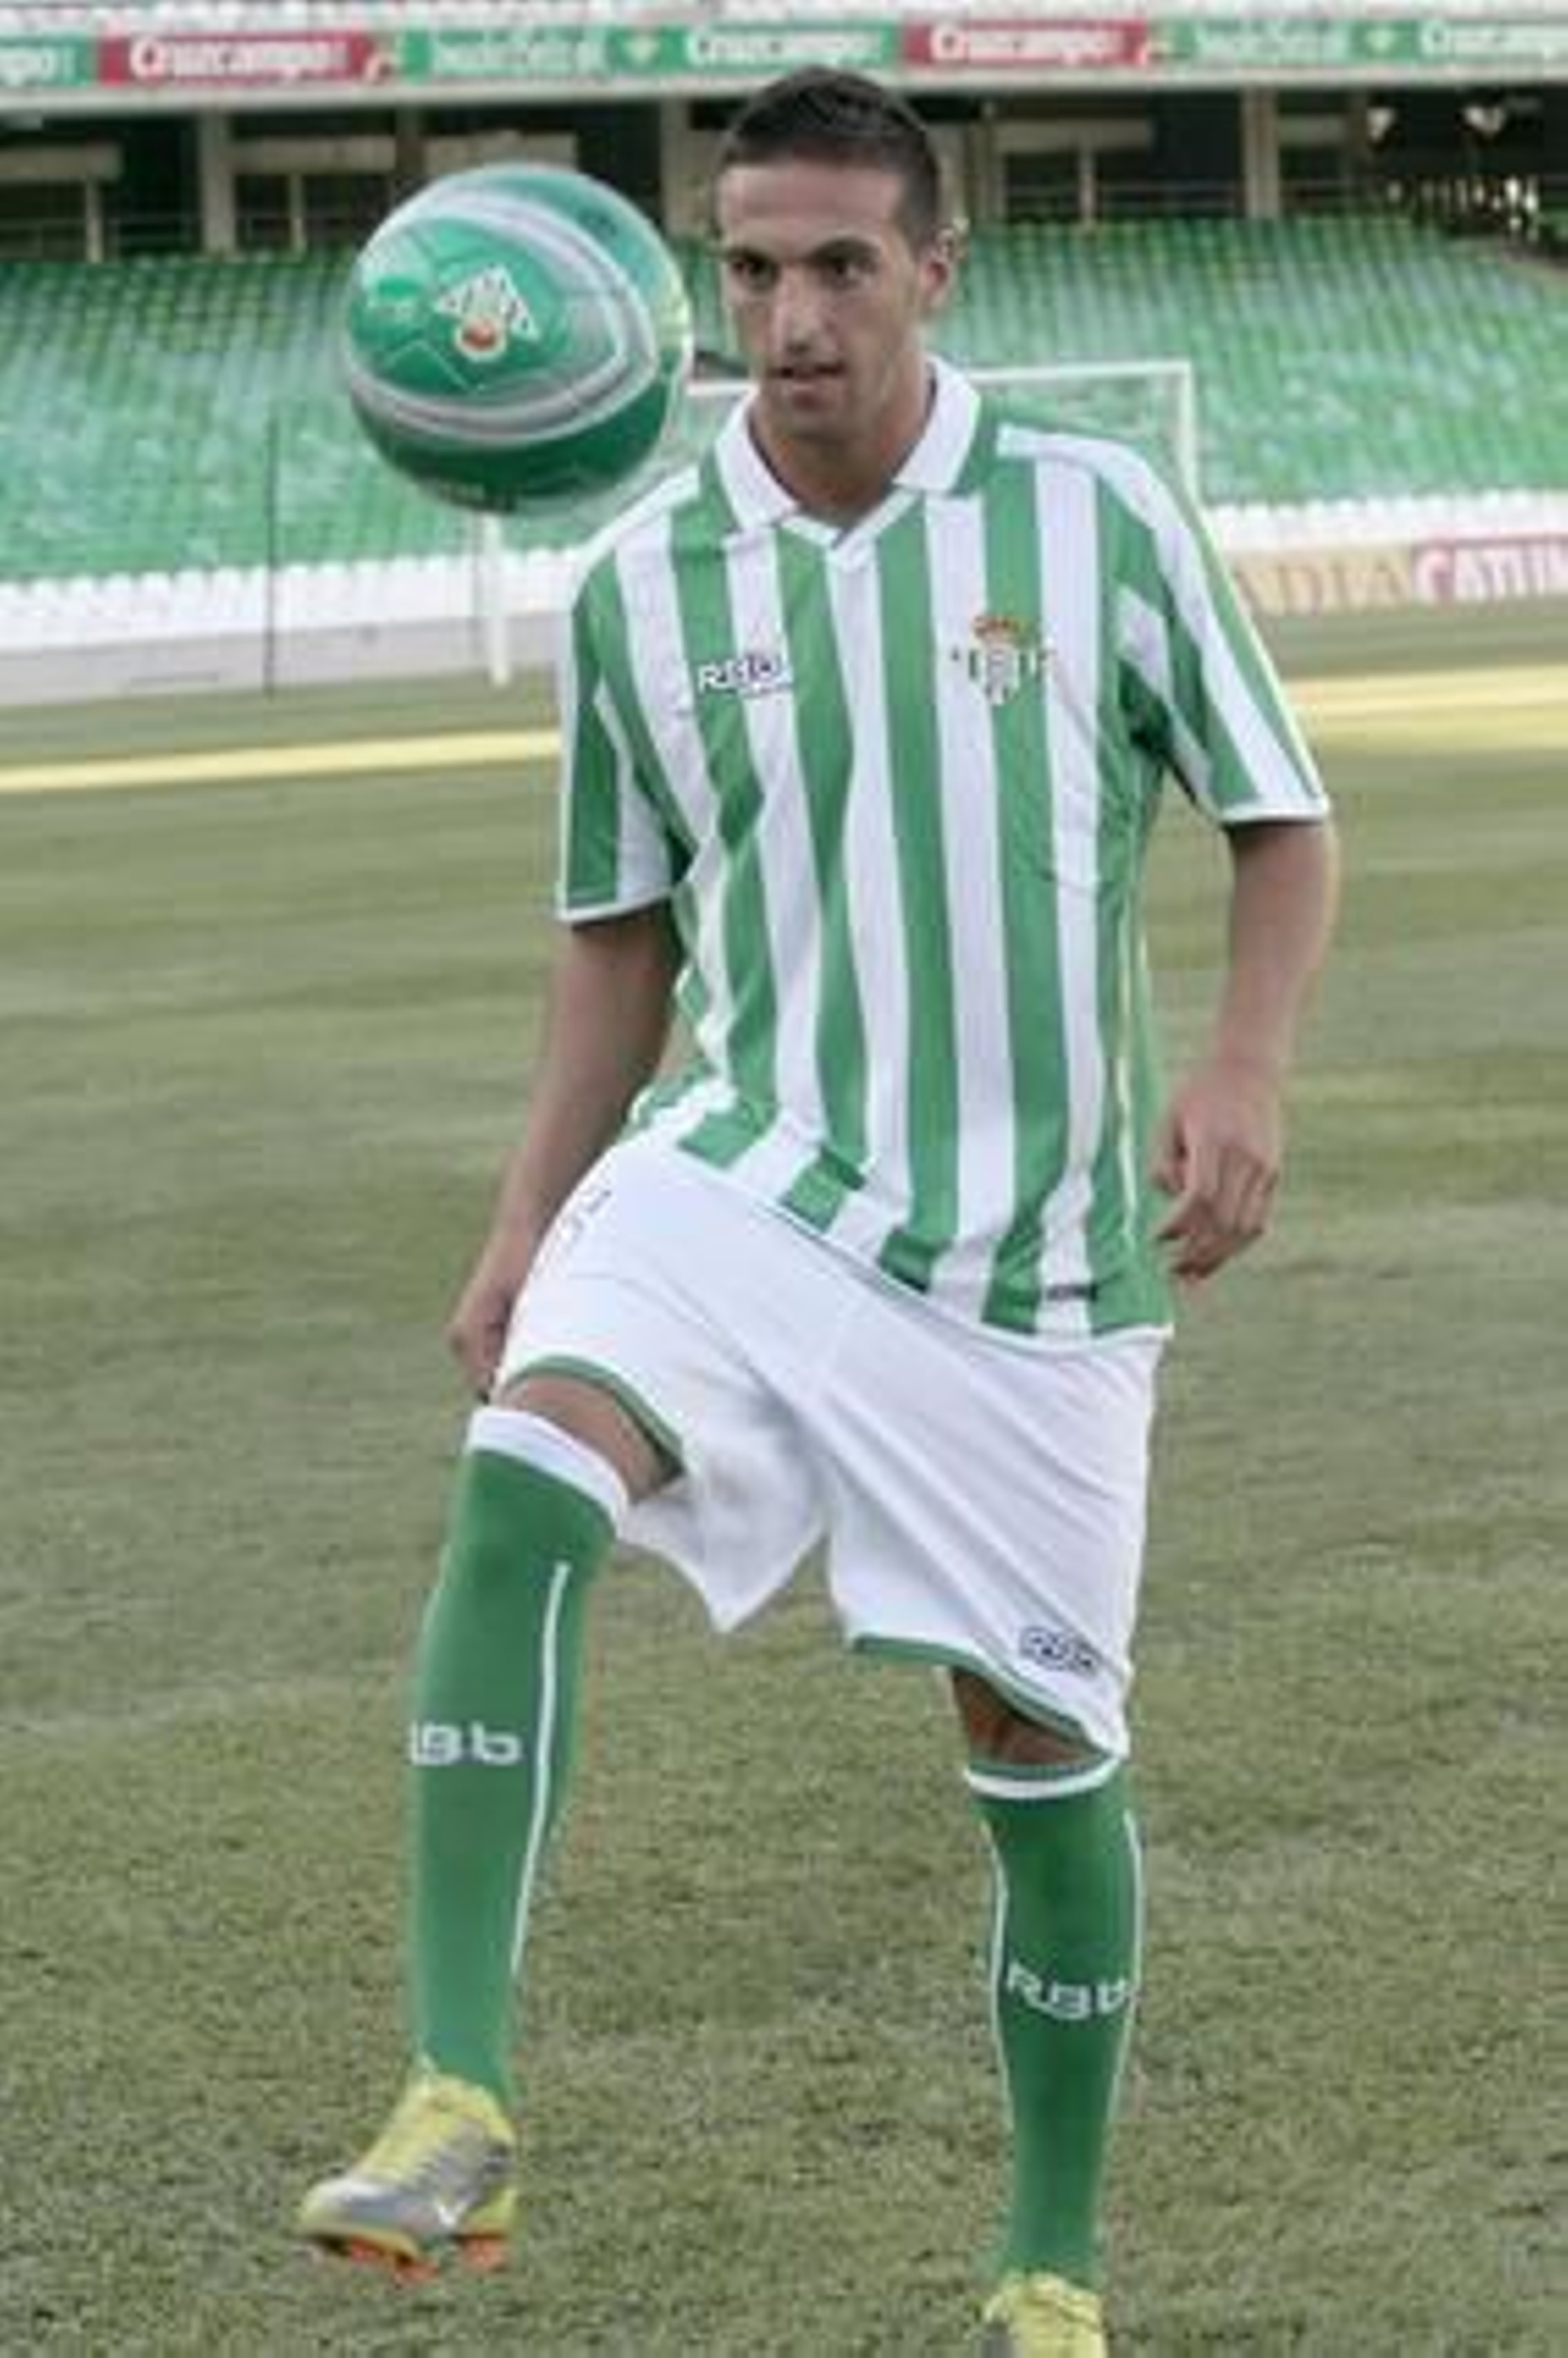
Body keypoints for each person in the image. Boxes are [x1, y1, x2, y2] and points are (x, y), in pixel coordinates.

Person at [298, 68, 1338, 2356]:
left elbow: (1277, 818)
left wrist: (1241, 1067)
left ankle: (1046, 2263)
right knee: (523, 1467)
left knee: (1038, 1759)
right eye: (747, 268)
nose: (787, 317)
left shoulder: (1092, 515)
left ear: (932, 275)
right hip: (751, 1169)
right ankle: (456, 2082)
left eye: (836, 266)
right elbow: (616, 943)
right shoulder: (638, 584)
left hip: (1039, 1272)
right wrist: (517, 1225)